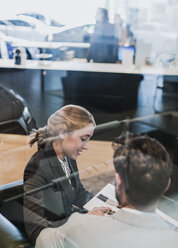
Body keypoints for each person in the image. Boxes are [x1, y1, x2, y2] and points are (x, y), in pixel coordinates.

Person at [35, 135, 178, 248]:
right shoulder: (173, 241)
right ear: (166, 185)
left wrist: (87, 219)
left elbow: (43, 241)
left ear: (119, 181)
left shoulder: (81, 226)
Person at [23, 104, 96, 245]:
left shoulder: (68, 155)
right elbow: (36, 227)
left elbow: (78, 192)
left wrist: (103, 204)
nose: (87, 146)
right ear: (62, 133)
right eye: (83, 138)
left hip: (68, 226)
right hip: (50, 236)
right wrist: (86, 219)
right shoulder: (37, 167)